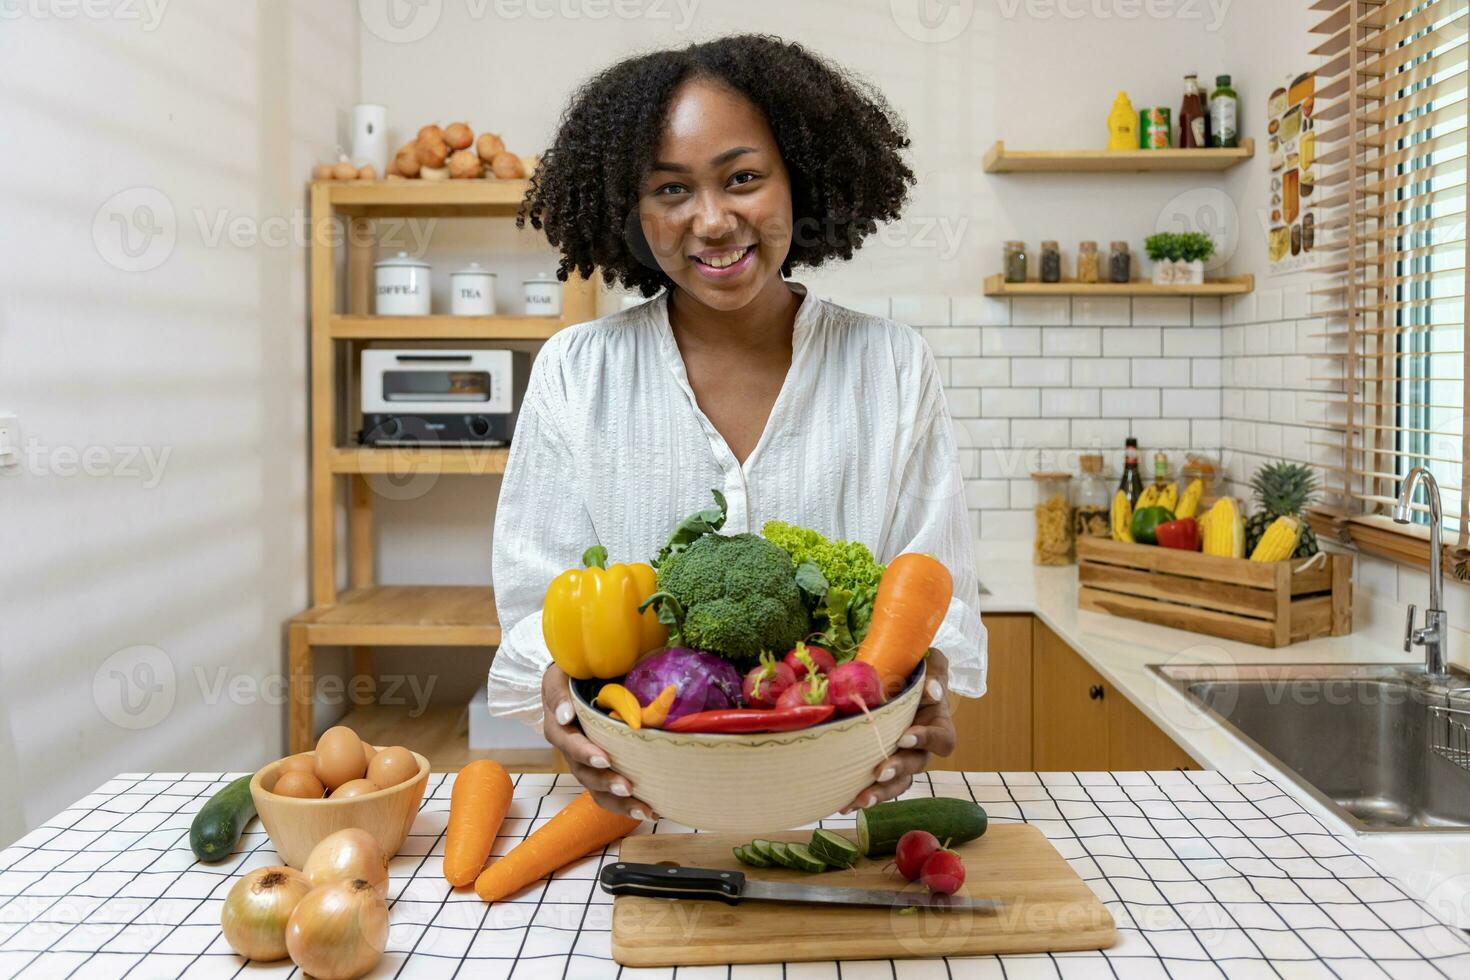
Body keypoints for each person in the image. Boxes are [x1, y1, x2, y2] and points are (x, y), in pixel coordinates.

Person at [488, 34, 986, 821]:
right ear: (630, 208)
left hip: (840, 795)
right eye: (670, 190)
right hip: (644, 806)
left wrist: (924, 694)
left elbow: (935, 589)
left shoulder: (891, 365)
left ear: (800, 179)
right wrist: (558, 700)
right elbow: (535, 601)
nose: (713, 221)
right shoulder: (576, 372)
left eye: (743, 179)